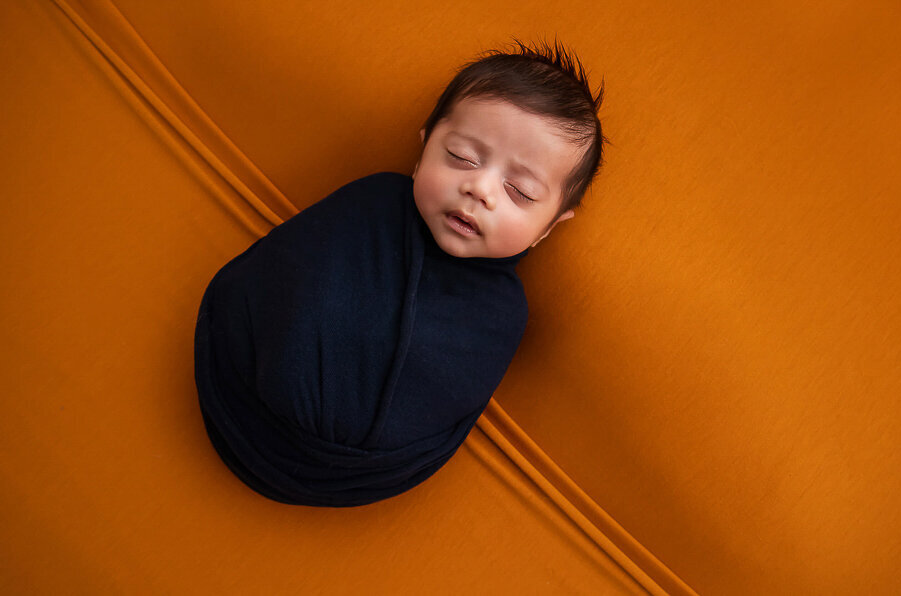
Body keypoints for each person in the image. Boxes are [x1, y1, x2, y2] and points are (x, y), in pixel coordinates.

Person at [193, 38, 608, 506]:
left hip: (352, 472)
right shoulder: (370, 203)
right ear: (423, 146)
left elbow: (446, 388)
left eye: (520, 191)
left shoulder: (503, 312)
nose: (480, 189)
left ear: (548, 228)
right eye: (463, 158)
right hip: (240, 388)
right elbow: (291, 273)